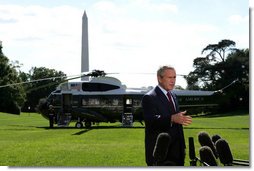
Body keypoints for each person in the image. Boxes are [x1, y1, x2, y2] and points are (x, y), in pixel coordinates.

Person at [142, 65, 192, 166]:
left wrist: (182, 148)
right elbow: (150, 121)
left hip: (178, 152)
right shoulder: (149, 97)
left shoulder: (173, 95)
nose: (173, 81)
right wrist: (172, 118)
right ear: (159, 78)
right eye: (169, 77)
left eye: (174, 77)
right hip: (161, 154)